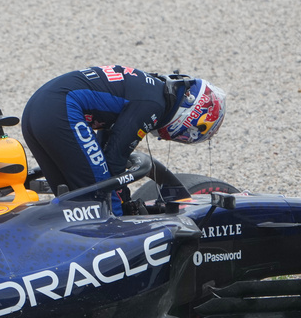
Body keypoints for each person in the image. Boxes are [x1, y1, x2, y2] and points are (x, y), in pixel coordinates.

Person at [20, 65, 226, 210]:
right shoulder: (153, 104)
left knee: (70, 199)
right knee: (103, 198)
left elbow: (105, 146)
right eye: (189, 132)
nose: (182, 136)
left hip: (35, 110)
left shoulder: (150, 88)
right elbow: (115, 158)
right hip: (60, 108)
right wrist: (123, 203)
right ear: (192, 112)